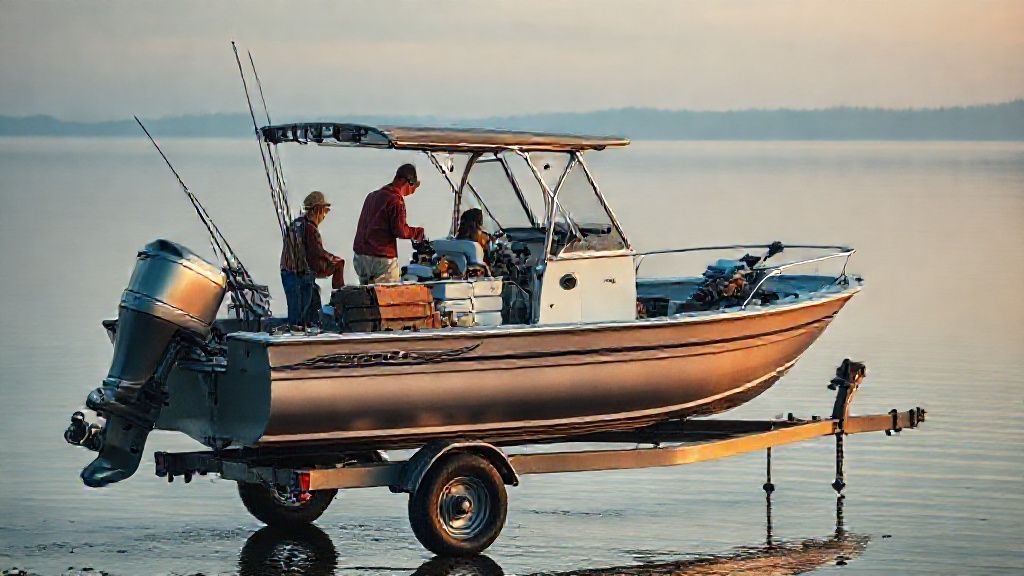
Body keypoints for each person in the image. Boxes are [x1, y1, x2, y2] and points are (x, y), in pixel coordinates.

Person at [352, 163, 425, 284]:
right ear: (406, 182)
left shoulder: (372, 196)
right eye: (412, 188)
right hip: (381, 258)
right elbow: (400, 230)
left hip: (360, 257)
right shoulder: (395, 200)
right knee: (389, 297)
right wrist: (417, 232)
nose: (412, 192)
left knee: (366, 296)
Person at [280, 191, 344, 327]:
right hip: (299, 275)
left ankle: (304, 330)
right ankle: (297, 339)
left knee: (302, 311)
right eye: (324, 211)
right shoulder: (310, 228)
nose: (325, 216)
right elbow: (316, 254)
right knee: (299, 317)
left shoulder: (296, 224)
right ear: (316, 210)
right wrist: (333, 261)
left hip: (287, 273)